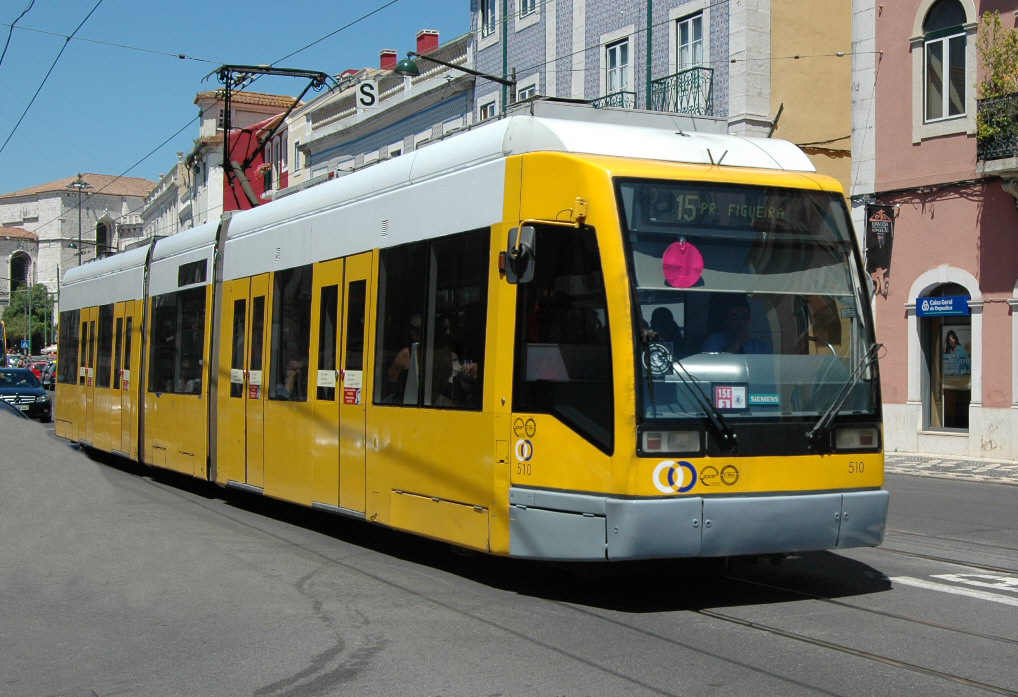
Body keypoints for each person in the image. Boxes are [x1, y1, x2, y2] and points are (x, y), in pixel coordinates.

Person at [702, 296, 770, 354]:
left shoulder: (759, 346)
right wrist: (737, 343)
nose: (741, 322)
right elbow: (714, 365)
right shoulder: (714, 341)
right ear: (726, 320)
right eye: (735, 318)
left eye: (744, 317)